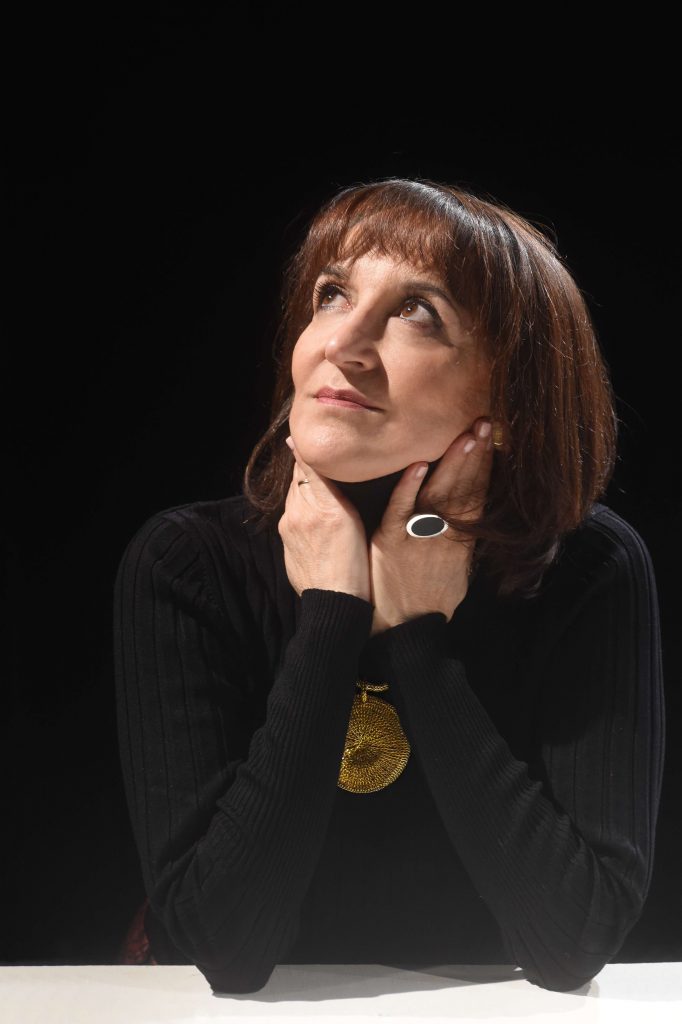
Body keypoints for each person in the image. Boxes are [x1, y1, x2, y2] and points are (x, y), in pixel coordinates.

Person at [113, 177, 665, 994]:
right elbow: (223, 948)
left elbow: (573, 940)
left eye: (417, 312)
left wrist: (417, 638)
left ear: (511, 398)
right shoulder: (186, 563)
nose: (344, 342)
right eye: (331, 294)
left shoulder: (590, 568)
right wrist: (333, 615)